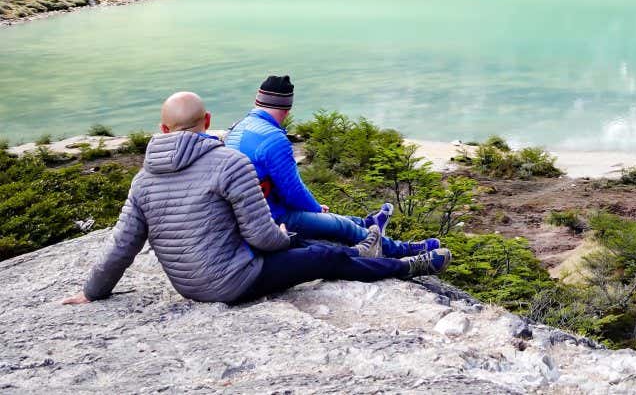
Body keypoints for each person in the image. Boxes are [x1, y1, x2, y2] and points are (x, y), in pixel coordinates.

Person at [62, 92, 450, 307]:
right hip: (233, 280)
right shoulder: (228, 162)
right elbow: (263, 237)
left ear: (163, 129)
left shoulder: (142, 179)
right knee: (323, 255)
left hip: (190, 285)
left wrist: (92, 292)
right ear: (208, 121)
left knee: (311, 246)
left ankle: (371, 251)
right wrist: (283, 236)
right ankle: (404, 267)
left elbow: (122, 247)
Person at [225, 75, 440, 259]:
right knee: (340, 226)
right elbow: (292, 191)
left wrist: (315, 208)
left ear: (257, 101)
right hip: (270, 217)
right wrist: (316, 208)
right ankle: (401, 249)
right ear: (287, 110)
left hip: (246, 212)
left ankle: (367, 223)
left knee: (336, 221)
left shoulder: (236, 128)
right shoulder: (273, 139)